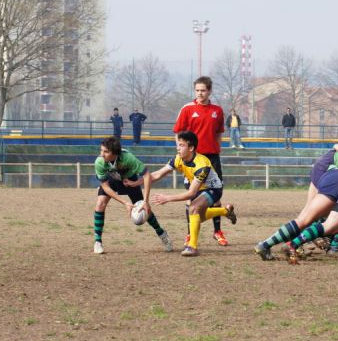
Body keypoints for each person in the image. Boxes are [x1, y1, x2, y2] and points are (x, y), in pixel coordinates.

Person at [146, 131, 237, 257]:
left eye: (182, 145)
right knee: (198, 217)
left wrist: (167, 198)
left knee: (193, 208)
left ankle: (192, 247)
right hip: (199, 189)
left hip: (214, 189)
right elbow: (157, 174)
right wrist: (139, 180)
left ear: (191, 148)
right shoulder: (178, 158)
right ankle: (226, 212)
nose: (178, 148)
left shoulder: (202, 164)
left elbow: (191, 193)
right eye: (178, 145)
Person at [173, 76, 229, 246]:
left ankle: (217, 231)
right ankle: (190, 234)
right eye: (197, 90)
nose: (200, 93)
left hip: (212, 159)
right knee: (192, 198)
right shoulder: (187, 109)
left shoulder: (217, 111)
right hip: (193, 159)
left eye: (203, 90)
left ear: (209, 91)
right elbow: (178, 132)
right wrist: (181, 152)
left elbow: (219, 132)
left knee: (215, 196)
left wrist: (216, 149)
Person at [92, 136, 172, 255]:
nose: (101, 154)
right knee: (100, 204)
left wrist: (145, 200)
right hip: (112, 180)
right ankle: (97, 241)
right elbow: (105, 187)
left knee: (145, 209)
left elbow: (146, 175)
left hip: (129, 180)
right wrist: (124, 203)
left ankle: (161, 233)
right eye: (101, 150)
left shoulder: (128, 158)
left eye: (105, 151)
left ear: (115, 153)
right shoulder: (99, 162)